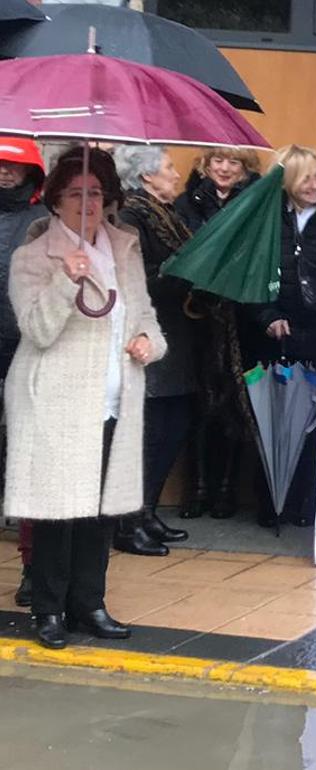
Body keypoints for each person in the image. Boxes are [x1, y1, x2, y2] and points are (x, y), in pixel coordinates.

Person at [6, 147, 166, 649]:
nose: (87, 202)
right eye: (75, 193)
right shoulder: (33, 255)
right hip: (55, 398)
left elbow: (143, 314)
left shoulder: (125, 247)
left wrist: (148, 342)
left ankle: (89, 603)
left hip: (114, 396)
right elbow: (36, 329)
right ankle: (49, 609)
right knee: (60, 509)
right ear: (55, 199)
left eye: (95, 192)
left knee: (102, 509)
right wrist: (64, 280)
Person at [244, 145, 316, 527]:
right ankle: (272, 503)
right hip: (277, 331)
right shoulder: (265, 214)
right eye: (306, 177)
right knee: (272, 416)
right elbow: (250, 273)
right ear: (287, 180)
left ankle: (307, 502)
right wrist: (266, 316)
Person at [113, 145, 196, 558]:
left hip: (176, 336)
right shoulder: (131, 217)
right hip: (150, 334)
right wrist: (184, 268)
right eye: (168, 167)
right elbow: (138, 279)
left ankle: (146, 513)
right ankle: (128, 522)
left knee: (173, 428)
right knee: (150, 435)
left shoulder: (168, 214)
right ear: (146, 177)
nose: (177, 174)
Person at [174, 148, 260, 522]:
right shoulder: (187, 201)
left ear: (246, 169)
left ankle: (225, 489)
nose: (224, 169)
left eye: (234, 162)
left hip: (241, 318)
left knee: (235, 407)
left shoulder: (258, 204)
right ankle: (197, 489)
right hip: (197, 316)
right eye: (218, 161)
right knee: (199, 406)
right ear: (205, 166)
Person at [0, 139, 46, 609]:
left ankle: (35, 570)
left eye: (13, 166)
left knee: (30, 465)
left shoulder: (43, 225)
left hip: (28, 350)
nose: (4, 173)